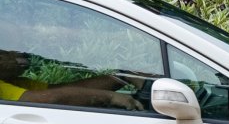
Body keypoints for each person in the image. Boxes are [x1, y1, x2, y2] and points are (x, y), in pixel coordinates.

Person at [0, 48, 144, 110]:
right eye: (11, 51)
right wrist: (110, 98)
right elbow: (46, 99)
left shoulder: (13, 81)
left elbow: (60, 90)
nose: (22, 56)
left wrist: (121, 78)